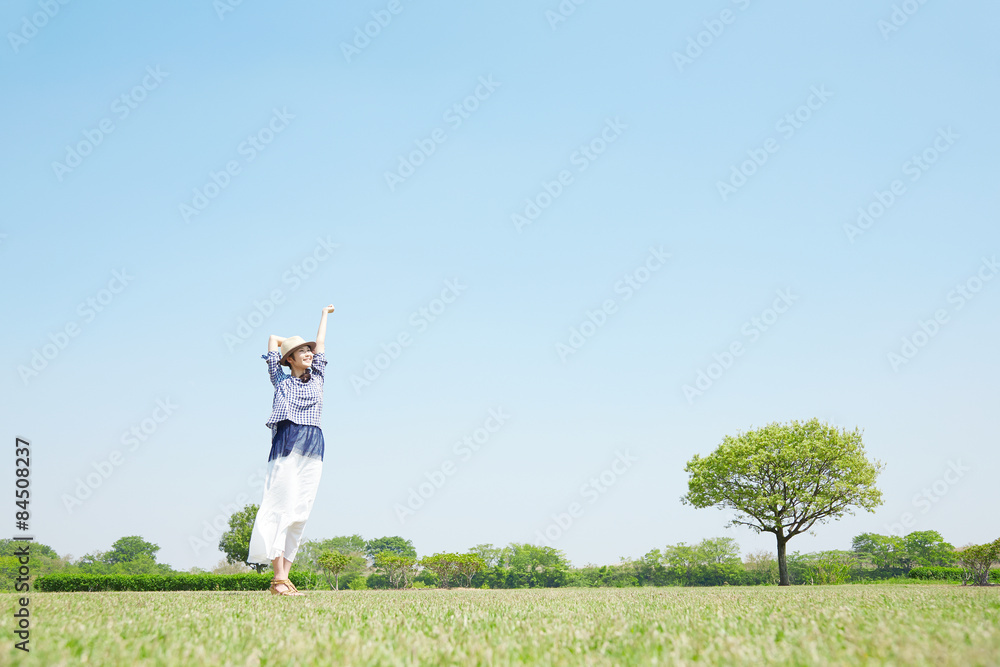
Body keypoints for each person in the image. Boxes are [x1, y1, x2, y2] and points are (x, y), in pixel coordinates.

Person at [248, 305, 334, 596]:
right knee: (279, 505)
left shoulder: (319, 376)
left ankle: (283, 578)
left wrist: (323, 314)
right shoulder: (280, 380)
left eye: (310, 351)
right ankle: (277, 578)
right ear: (289, 359)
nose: (309, 353)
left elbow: (320, 344)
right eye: (302, 352)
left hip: (313, 443)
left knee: (300, 511)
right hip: (287, 440)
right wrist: (288, 344)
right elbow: (273, 338)